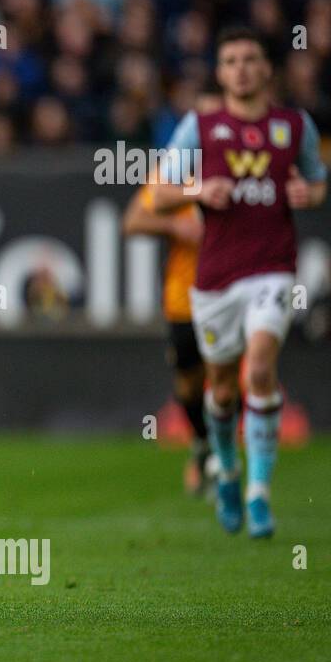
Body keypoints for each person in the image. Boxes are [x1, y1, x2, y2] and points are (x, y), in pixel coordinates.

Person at [151, 27, 327, 537]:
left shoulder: (294, 126)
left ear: (267, 68)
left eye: (251, 58)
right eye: (230, 61)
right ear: (221, 72)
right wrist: (199, 188)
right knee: (223, 391)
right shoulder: (200, 127)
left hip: (272, 267)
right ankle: (227, 470)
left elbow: (316, 183)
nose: (241, 68)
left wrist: (307, 194)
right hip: (215, 278)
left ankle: (258, 493)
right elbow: (159, 194)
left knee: (262, 366)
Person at [122, 180, 212, 495]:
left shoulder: (243, 166)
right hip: (185, 301)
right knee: (189, 385)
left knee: (228, 379)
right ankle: (203, 444)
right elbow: (133, 220)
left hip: (232, 294)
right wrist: (174, 225)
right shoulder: (180, 176)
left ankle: (231, 468)